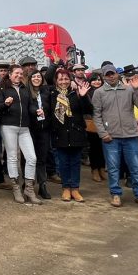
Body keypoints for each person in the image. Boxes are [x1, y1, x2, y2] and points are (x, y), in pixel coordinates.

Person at [91, 64, 138, 209]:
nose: (110, 76)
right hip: (111, 137)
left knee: (136, 167)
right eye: (107, 74)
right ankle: (115, 194)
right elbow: (97, 115)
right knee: (113, 168)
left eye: (112, 73)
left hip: (130, 134)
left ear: (117, 74)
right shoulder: (99, 92)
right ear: (104, 76)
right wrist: (103, 133)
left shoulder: (129, 88)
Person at [42, 68, 93, 202]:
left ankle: (75, 189)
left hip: (76, 133)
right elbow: (47, 111)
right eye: (60, 79)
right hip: (59, 133)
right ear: (56, 81)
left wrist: (83, 97)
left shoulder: (75, 93)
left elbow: (88, 110)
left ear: (70, 80)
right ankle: (66, 188)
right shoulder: (51, 93)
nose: (63, 81)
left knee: (75, 163)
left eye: (66, 79)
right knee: (63, 163)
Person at [0, 65, 42, 204]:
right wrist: (6, 104)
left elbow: (30, 106)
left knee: (32, 158)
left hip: (24, 127)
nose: (19, 75)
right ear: (10, 74)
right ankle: (16, 188)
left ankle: (28, 188)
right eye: (16, 73)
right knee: (12, 157)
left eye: (21, 73)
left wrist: (36, 111)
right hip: (8, 126)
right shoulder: (2, 89)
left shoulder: (25, 88)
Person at [24, 70, 51, 199]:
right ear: (30, 79)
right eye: (33, 76)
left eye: (38, 76)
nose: (36, 78)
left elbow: (51, 107)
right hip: (30, 128)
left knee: (42, 158)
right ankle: (27, 183)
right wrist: (36, 111)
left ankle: (42, 185)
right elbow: (27, 107)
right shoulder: (26, 91)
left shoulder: (47, 91)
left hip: (44, 129)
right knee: (28, 158)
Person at [85, 73, 106, 183]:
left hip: (105, 123)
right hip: (92, 124)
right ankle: (95, 170)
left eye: (99, 80)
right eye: (94, 80)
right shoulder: (87, 92)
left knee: (103, 148)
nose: (97, 82)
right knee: (94, 148)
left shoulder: (105, 91)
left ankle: (102, 168)